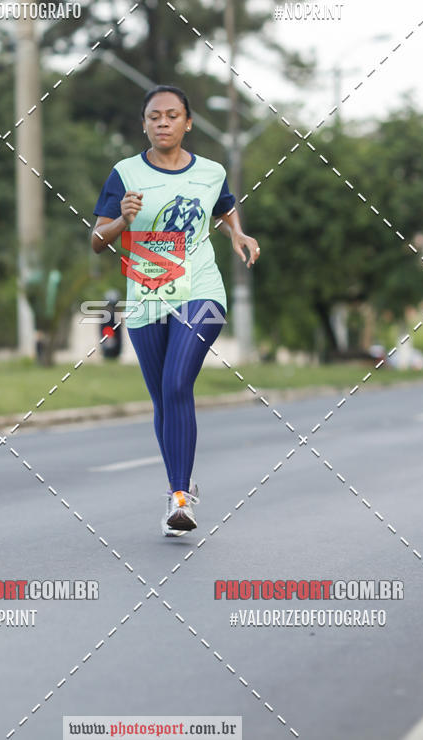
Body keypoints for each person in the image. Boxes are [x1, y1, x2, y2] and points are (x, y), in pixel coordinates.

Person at [91, 85, 260, 537]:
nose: (162, 123)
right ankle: (176, 491)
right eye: (153, 117)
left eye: (171, 115)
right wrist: (122, 222)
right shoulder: (125, 174)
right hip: (147, 297)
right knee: (163, 396)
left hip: (201, 291)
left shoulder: (210, 172)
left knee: (176, 381)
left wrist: (238, 235)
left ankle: (181, 498)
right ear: (143, 124)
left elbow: (224, 209)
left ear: (187, 122)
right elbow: (96, 239)